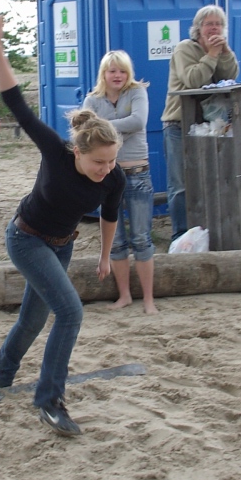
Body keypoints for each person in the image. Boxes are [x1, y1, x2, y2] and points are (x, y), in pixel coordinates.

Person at [0, 15, 126, 437]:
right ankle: (49, 401)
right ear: (78, 153)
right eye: (99, 161)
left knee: (33, 319)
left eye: (112, 160)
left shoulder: (115, 177)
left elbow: (110, 215)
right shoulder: (55, 151)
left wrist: (104, 256)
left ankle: (1, 371)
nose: (106, 169)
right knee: (69, 312)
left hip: (62, 244)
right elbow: (15, 102)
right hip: (25, 238)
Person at [83, 50, 158, 315]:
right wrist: (110, 127)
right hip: (106, 177)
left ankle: (148, 299)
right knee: (115, 241)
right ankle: (124, 295)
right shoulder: (91, 99)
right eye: (112, 70)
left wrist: (103, 126)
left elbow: (138, 121)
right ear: (103, 74)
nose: (118, 75)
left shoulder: (137, 92)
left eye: (122, 71)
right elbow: (86, 132)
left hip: (137, 172)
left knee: (141, 238)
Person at [161, 5, 239, 242]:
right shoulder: (184, 48)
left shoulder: (219, 49)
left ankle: (207, 234)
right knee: (181, 185)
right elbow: (193, 80)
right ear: (198, 28)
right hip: (178, 124)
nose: (214, 28)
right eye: (209, 24)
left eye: (218, 24)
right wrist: (212, 55)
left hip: (209, 127)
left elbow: (231, 75)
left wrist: (225, 52)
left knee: (210, 180)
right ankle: (180, 237)